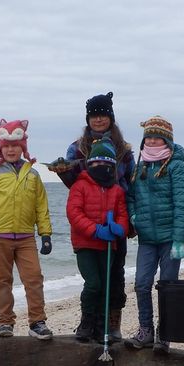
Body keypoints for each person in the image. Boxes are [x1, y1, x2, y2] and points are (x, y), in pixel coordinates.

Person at [49, 92, 135, 341]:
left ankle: (111, 323)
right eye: (94, 116)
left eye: (103, 115)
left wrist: (125, 223)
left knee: (115, 275)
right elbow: (76, 187)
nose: (98, 120)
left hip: (117, 218)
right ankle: (89, 323)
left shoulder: (124, 149)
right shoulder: (77, 148)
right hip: (89, 224)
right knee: (94, 281)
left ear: (111, 117)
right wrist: (62, 172)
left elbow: (130, 185)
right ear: (88, 119)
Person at [0, 119, 54, 340]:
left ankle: (37, 322)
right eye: (6, 146)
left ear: (23, 147)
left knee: (34, 278)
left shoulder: (33, 175)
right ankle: (5, 322)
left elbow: (41, 206)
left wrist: (45, 234)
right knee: (3, 281)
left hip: (26, 237)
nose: (10, 149)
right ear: (0, 148)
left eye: (15, 145)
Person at [125, 115, 184, 354]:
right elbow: (131, 197)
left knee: (167, 287)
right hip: (146, 240)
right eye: (149, 137)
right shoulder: (140, 166)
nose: (152, 141)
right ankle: (146, 329)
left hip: (169, 240)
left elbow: (183, 205)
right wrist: (134, 217)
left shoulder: (177, 166)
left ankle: (165, 334)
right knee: (141, 284)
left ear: (167, 140)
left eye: (157, 137)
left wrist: (179, 240)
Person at [66, 139, 130, 344]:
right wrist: (95, 230)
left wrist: (119, 228)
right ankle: (86, 321)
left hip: (108, 245)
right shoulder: (80, 185)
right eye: (95, 164)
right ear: (89, 164)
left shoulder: (117, 190)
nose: (100, 168)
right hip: (86, 244)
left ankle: (102, 326)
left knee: (106, 286)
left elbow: (122, 214)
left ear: (112, 167)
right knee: (93, 283)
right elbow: (74, 213)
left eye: (106, 164)